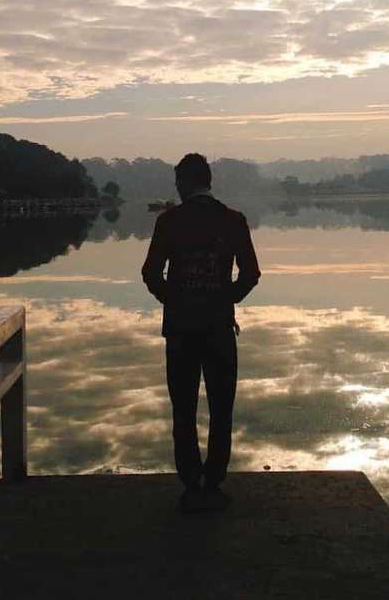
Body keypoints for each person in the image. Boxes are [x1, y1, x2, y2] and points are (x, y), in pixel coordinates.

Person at [141, 153, 261, 512]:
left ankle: (191, 484)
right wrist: (226, 300)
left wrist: (174, 301)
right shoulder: (233, 220)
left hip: (180, 330)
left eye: (177, 183)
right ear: (209, 181)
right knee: (222, 408)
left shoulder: (169, 222)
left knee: (184, 409)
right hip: (219, 328)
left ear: (182, 183)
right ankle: (214, 483)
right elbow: (251, 274)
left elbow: (150, 273)